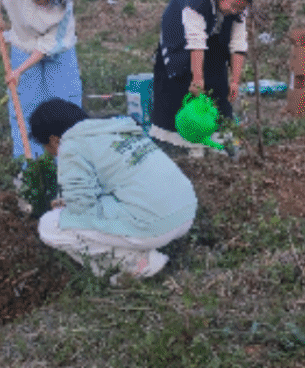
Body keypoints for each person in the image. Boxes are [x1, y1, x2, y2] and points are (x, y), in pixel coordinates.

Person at [27, 98, 195, 280]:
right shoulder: (117, 127)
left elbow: (81, 208)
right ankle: (136, 251)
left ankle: (137, 262)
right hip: (185, 212)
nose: (49, 153)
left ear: (54, 141)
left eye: (46, 146)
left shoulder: (71, 144)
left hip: (154, 224)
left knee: (50, 225)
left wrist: (67, 207)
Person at [0, 0, 82, 161]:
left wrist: (19, 70)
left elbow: (47, 46)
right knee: (25, 105)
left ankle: (67, 164)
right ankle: (29, 163)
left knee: (65, 106)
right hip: (23, 45)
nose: (41, 1)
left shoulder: (64, 7)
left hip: (58, 51)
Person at [151, 0, 253, 146]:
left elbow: (238, 43)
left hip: (211, 35)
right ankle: (174, 139)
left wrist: (235, 81)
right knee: (179, 79)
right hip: (179, 34)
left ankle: (217, 134)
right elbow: (195, 40)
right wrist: (197, 79)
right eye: (234, 6)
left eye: (241, 8)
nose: (235, 11)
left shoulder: (239, 7)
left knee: (218, 80)